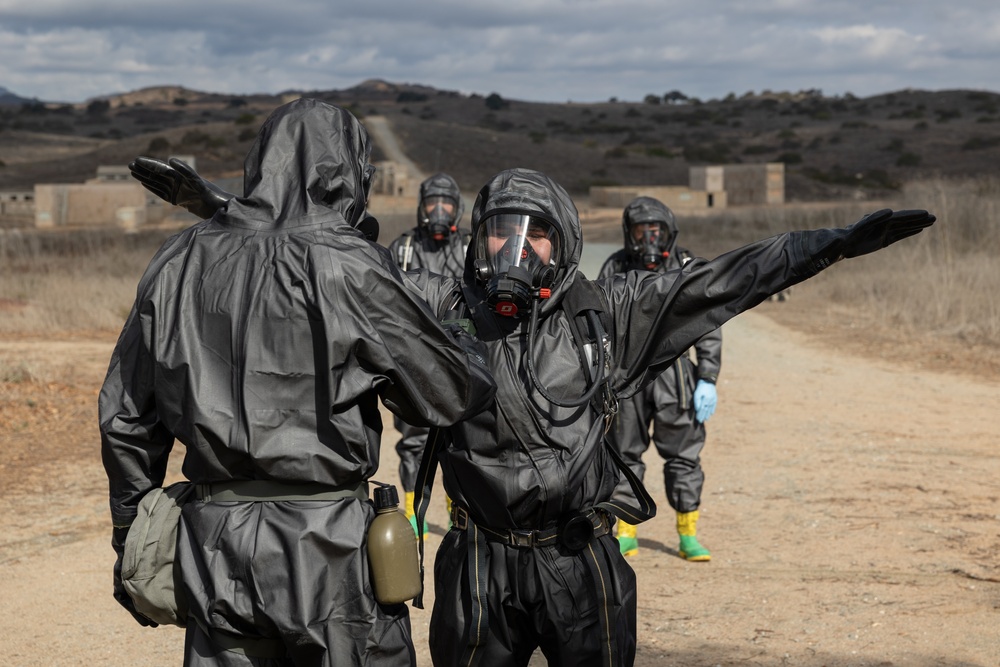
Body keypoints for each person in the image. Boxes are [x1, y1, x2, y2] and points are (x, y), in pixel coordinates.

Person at [131, 159, 934, 667]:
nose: (515, 249)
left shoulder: (611, 315)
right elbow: (324, 265)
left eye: (536, 235)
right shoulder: (438, 309)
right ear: (476, 239)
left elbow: (724, 281)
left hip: (580, 560)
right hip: (477, 561)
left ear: (566, 241)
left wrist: (831, 243)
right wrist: (224, 209)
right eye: (500, 232)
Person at [101, 98, 496, 667]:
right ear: (350, 172)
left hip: (214, 545)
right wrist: (456, 330)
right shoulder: (353, 264)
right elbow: (451, 393)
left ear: (259, 163)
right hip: (328, 547)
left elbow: (126, 419)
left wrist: (131, 536)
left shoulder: (178, 259)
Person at [597, 196, 720, 561]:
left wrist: (708, 376)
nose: (650, 239)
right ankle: (626, 529)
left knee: (684, 456)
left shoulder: (687, 265)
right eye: (641, 231)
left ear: (669, 233)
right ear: (628, 234)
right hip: (627, 375)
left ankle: (687, 534)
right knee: (622, 455)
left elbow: (710, 323)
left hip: (678, 378)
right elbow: (597, 320)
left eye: (657, 231)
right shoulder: (615, 266)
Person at [385, 173, 471, 535]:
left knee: (463, 440)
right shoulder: (402, 248)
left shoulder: (471, 246)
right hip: (413, 357)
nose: (438, 210)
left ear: (457, 208)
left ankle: (459, 509)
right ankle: (411, 513)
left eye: (446, 203)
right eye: (432, 202)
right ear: (421, 206)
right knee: (415, 440)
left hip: (461, 357)